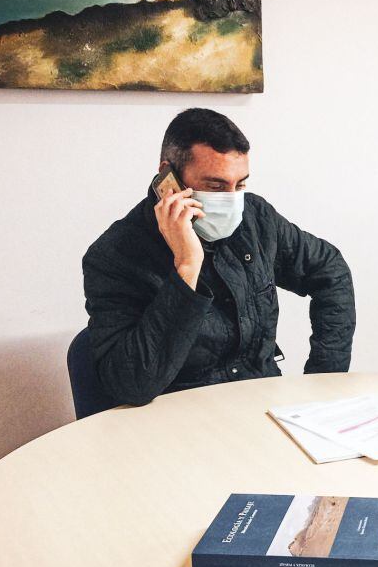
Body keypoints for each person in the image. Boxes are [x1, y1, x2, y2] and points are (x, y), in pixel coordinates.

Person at [83, 108, 355, 406]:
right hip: (174, 419)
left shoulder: (256, 218)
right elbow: (132, 385)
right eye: (215, 186)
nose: (230, 200)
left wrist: (324, 380)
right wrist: (187, 268)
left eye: (239, 185)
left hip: (260, 405)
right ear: (168, 176)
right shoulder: (113, 256)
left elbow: (331, 271)